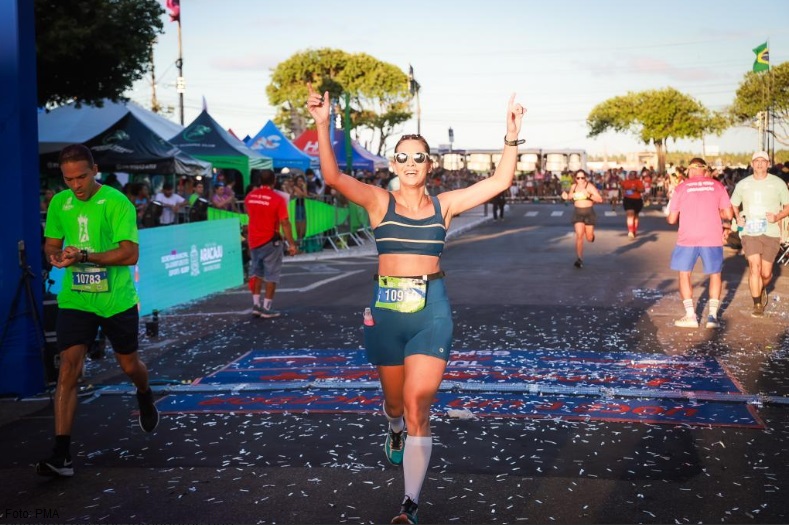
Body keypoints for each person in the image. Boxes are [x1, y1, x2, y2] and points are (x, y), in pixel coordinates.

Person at [308, 84, 525, 525]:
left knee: (417, 404)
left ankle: (409, 504)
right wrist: (322, 125)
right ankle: (392, 428)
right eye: (402, 157)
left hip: (432, 310)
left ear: (430, 164)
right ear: (393, 164)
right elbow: (333, 178)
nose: (410, 163)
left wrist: (511, 136)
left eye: (418, 157)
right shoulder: (378, 201)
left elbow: (500, 181)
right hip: (386, 312)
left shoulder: (445, 206)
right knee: (395, 406)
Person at [37, 144, 158, 478]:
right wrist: (56, 257)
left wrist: (84, 256)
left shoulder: (117, 202)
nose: (75, 185)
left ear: (95, 170)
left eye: (81, 177)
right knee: (68, 369)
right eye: (68, 179)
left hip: (116, 299)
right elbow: (51, 244)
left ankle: (144, 393)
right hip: (77, 298)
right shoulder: (60, 203)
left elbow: (130, 254)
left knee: (129, 365)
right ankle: (61, 455)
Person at [666, 157, 732, 328]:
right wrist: (715, 213)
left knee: (684, 274)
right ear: (705, 170)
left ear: (690, 170)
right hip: (712, 236)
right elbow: (728, 214)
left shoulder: (681, 187)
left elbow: (672, 219)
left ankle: (690, 316)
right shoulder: (717, 186)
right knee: (715, 274)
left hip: (687, 237)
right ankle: (712, 317)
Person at [730, 151, 789, 317]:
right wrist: (738, 217)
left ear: (768, 164)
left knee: (766, 273)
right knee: (754, 267)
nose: (760, 164)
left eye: (763, 161)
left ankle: (761, 288)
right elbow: (734, 203)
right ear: (752, 164)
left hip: (771, 232)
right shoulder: (743, 184)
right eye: (757, 161)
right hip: (750, 231)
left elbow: (787, 206)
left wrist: (777, 217)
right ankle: (757, 304)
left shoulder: (778, 183)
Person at [244, 168, 298, 318]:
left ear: (259, 181)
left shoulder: (250, 197)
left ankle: (256, 305)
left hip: (254, 239)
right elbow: (285, 222)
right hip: (270, 239)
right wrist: (292, 244)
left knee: (256, 272)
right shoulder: (277, 199)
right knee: (271, 274)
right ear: (274, 181)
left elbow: (250, 213)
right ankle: (266, 307)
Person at [561, 169, 602, 268]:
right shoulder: (573, 187)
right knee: (579, 235)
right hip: (578, 213)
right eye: (578, 178)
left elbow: (600, 199)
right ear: (575, 178)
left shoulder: (589, 186)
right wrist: (566, 197)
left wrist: (589, 195)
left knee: (589, 237)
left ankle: (591, 236)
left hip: (589, 212)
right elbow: (570, 196)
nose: (580, 180)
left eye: (582, 178)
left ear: (585, 178)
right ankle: (579, 259)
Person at [620, 170, 645, 238]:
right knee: (630, 215)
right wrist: (623, 192)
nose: (631, 175)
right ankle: (630, 231)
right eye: (630, 174)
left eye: (633, 174)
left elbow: (643, 190)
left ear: (635, 176)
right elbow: (622, 187)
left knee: (635, 216)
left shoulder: (638, 182)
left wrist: (636, 189)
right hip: (628, 199)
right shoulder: (625, 181)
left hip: (637, 200)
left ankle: (634, 230)